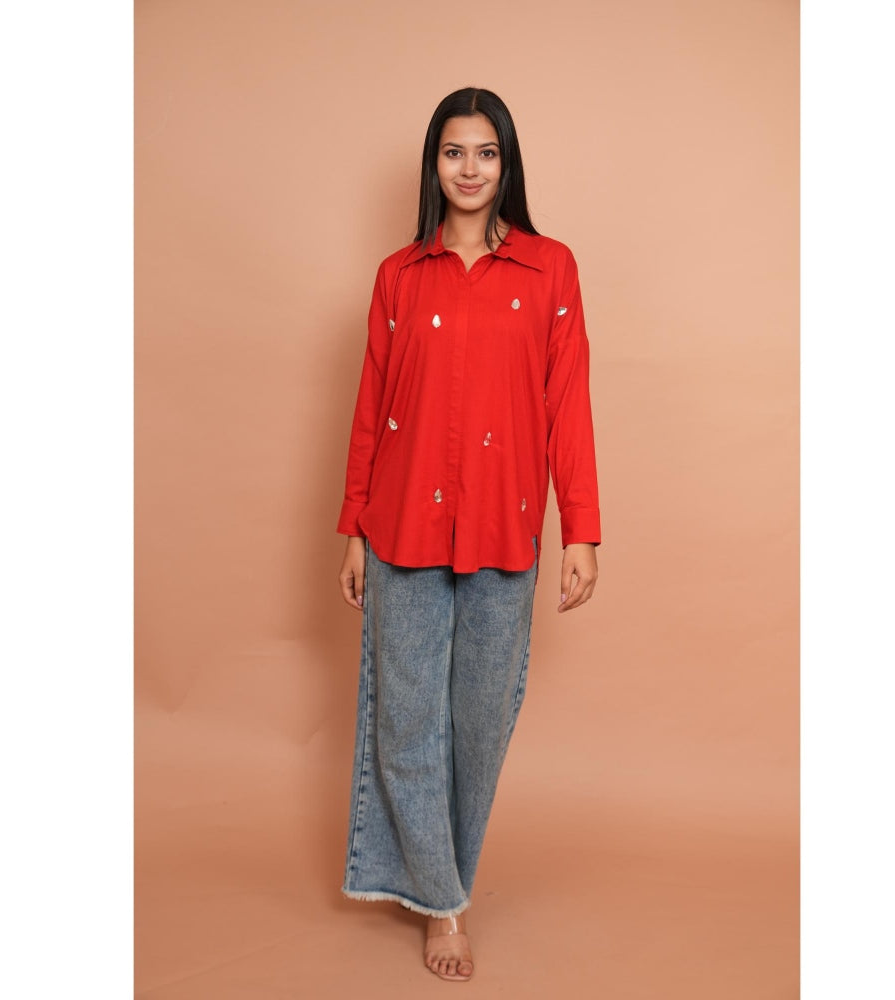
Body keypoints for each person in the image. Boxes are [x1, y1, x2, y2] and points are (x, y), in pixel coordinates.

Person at [336, 86, 601, 982]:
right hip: (401, 526)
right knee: (408, 721)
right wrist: (353, 528)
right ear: (434, 164)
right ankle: (443, 905)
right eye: (454, 152)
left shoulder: (550, 270)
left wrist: (582, 530)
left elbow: (568, 403)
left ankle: (435, 873)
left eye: (486, 152)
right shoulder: (398, 276)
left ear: (507, 163)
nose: (470, 168)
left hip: (505, 525)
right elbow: (371, 407)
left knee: (478, 723)